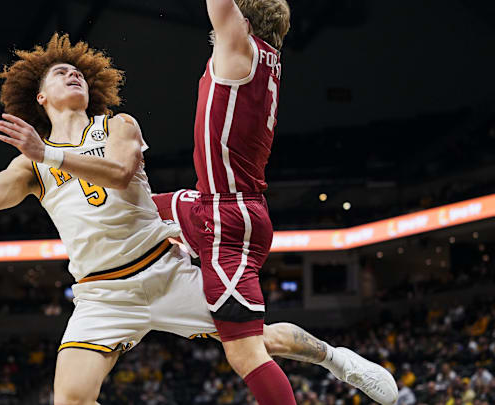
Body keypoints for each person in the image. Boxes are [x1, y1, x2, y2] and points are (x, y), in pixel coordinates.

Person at [0, 33, 393, 404]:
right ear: (40, 96)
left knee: (257, 342)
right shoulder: (30, 163)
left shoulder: (116, 125)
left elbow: (119, 170)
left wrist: (49, 154)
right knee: (68, 395)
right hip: (100, 296)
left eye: (76, 72)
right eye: (59, 73)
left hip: (161, 267)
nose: (71, 74)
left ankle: (336, 359)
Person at [152, 0, 397, 403]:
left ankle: (337, 361)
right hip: (213, 204)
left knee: (244, 351)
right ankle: (336, 359)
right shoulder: (262, 58)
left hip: (227, 219)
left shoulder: (240, 48)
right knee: (136, 205)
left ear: (242, 22)